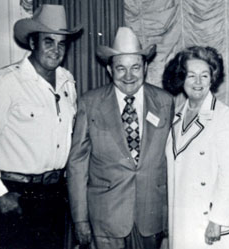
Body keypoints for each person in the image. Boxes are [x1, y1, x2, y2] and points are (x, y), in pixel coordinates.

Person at [0, 4, 81, 249]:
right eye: (48, 41)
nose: (56, 49)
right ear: (32, 43)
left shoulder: (67, 82)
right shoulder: (6, 82)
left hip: (55, 194)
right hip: (17, 195)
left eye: (61, 43)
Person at [66, 26, 174, 249]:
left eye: (135, 67)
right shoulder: (91, 103)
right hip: (106, 215)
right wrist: (80, 218)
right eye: (120, 69)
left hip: (150, 214)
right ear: (109, 69)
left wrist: (168, 214)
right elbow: (77, 164)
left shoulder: (164, 102)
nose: (128, 76)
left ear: (145, 67)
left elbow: (171, 160)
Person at [162, 46, 229, 249]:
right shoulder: (175, 117)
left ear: (213, 78)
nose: (198, 82)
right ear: (181, 78)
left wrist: (217, 220)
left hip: (211, 221)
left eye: (204, 75)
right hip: (182, 218)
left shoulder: (225, 116)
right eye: (191, 76)